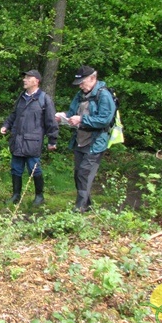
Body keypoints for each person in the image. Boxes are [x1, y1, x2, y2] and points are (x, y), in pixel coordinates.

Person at [56, 65, 115, 213]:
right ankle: (87, 204)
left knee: (84, 173)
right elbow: (71, 113)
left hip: (96, 141)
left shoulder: (104, 95)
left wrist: (81, 120)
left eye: (83, 82)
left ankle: (80, 207)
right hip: (80, 140)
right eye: (79, 83)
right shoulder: (80, 95)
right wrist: (61, 117)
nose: (81, 86)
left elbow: (104, 120)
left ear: (93, 79)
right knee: (78, 174)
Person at [1, 70, 58, 206]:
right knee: (16, 169)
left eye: (28, 77)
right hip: (17, 140)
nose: (24, 80)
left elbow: (51, 121)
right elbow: (14, 115)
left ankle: (39, 196)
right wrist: (6, 125)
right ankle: (15, 196)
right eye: (24, 77)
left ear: (36, 81)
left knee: (34, 169)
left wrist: (52, 140)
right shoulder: (21, 96)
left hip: (33, 142)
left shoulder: (44, 99)